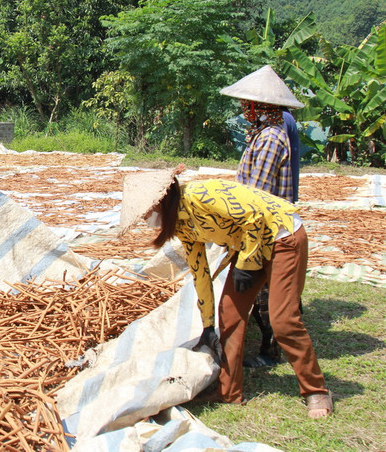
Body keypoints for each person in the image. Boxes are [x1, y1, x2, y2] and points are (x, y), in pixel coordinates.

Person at [118, 168, 333, 418]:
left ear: (160, 202)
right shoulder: (182, 225)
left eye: (146, 213)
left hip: (281, 237)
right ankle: (229, 390)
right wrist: (208, 325)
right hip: (249, 248)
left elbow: (255, 217)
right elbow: (200, 272)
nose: (147, 219)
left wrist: (245, 265)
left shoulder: (200, 195)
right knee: (229, 314)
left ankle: (315, 390)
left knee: (283, 320)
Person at [221, 65, 304, 366]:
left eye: (246, 105)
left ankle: (271, 349)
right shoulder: (261, 134)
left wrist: (234, 227)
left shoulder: (270, 139)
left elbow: (256, 193)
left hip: (266, 226)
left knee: (263, 290)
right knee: (264, 287)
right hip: (263, 223)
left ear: (258, 106)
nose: (243, 110)